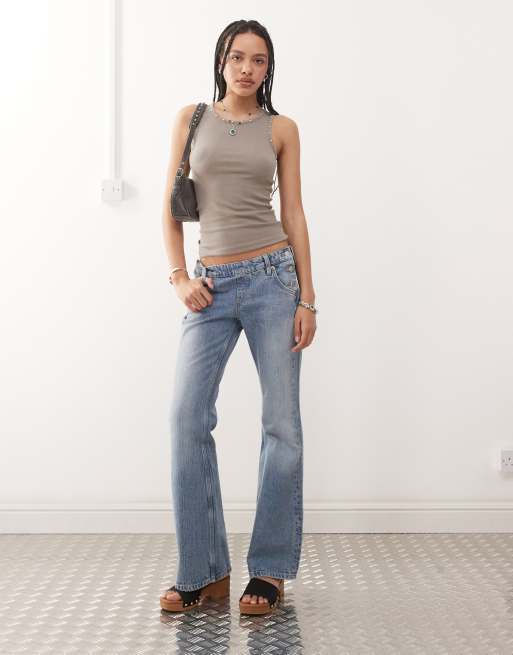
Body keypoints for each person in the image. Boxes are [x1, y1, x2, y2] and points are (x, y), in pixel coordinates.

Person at [160, 19, 318, 615]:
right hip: (210, 285)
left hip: (273, 278)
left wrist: (307, 298)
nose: (247, 69)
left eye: (259, 60)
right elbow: (171, 206)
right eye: (237, 57)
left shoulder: (282, 129)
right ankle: (204, 571)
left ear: (268, 68)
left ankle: (270, 570)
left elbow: (294, 212)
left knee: (281, 424)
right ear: (221, 61)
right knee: (186, 417)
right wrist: (180, 277)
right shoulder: (191, 119)